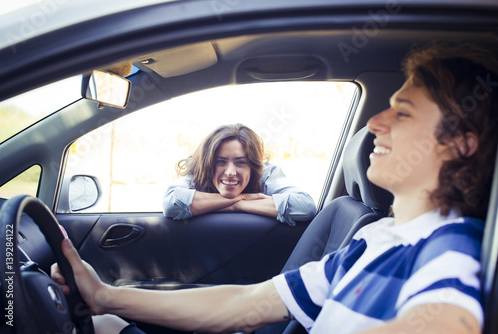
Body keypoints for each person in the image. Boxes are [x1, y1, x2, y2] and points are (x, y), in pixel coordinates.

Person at [52, 43, 498, 334]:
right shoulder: (373, 238)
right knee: (107, 322)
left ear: (460, 144)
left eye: (402, 113)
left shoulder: (451, 244)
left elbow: (449, 322)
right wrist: (105, 295)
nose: (373, 123)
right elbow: (247, 301)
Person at [162, 123, 317, 226]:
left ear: (253, 165)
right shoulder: (200, 174)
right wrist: (240, 199)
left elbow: (305, 206)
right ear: (208, 163)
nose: (230, 172)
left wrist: (235, 205)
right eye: (221, 162)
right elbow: (171, 203)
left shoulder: (266, 174)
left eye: (240, 162)